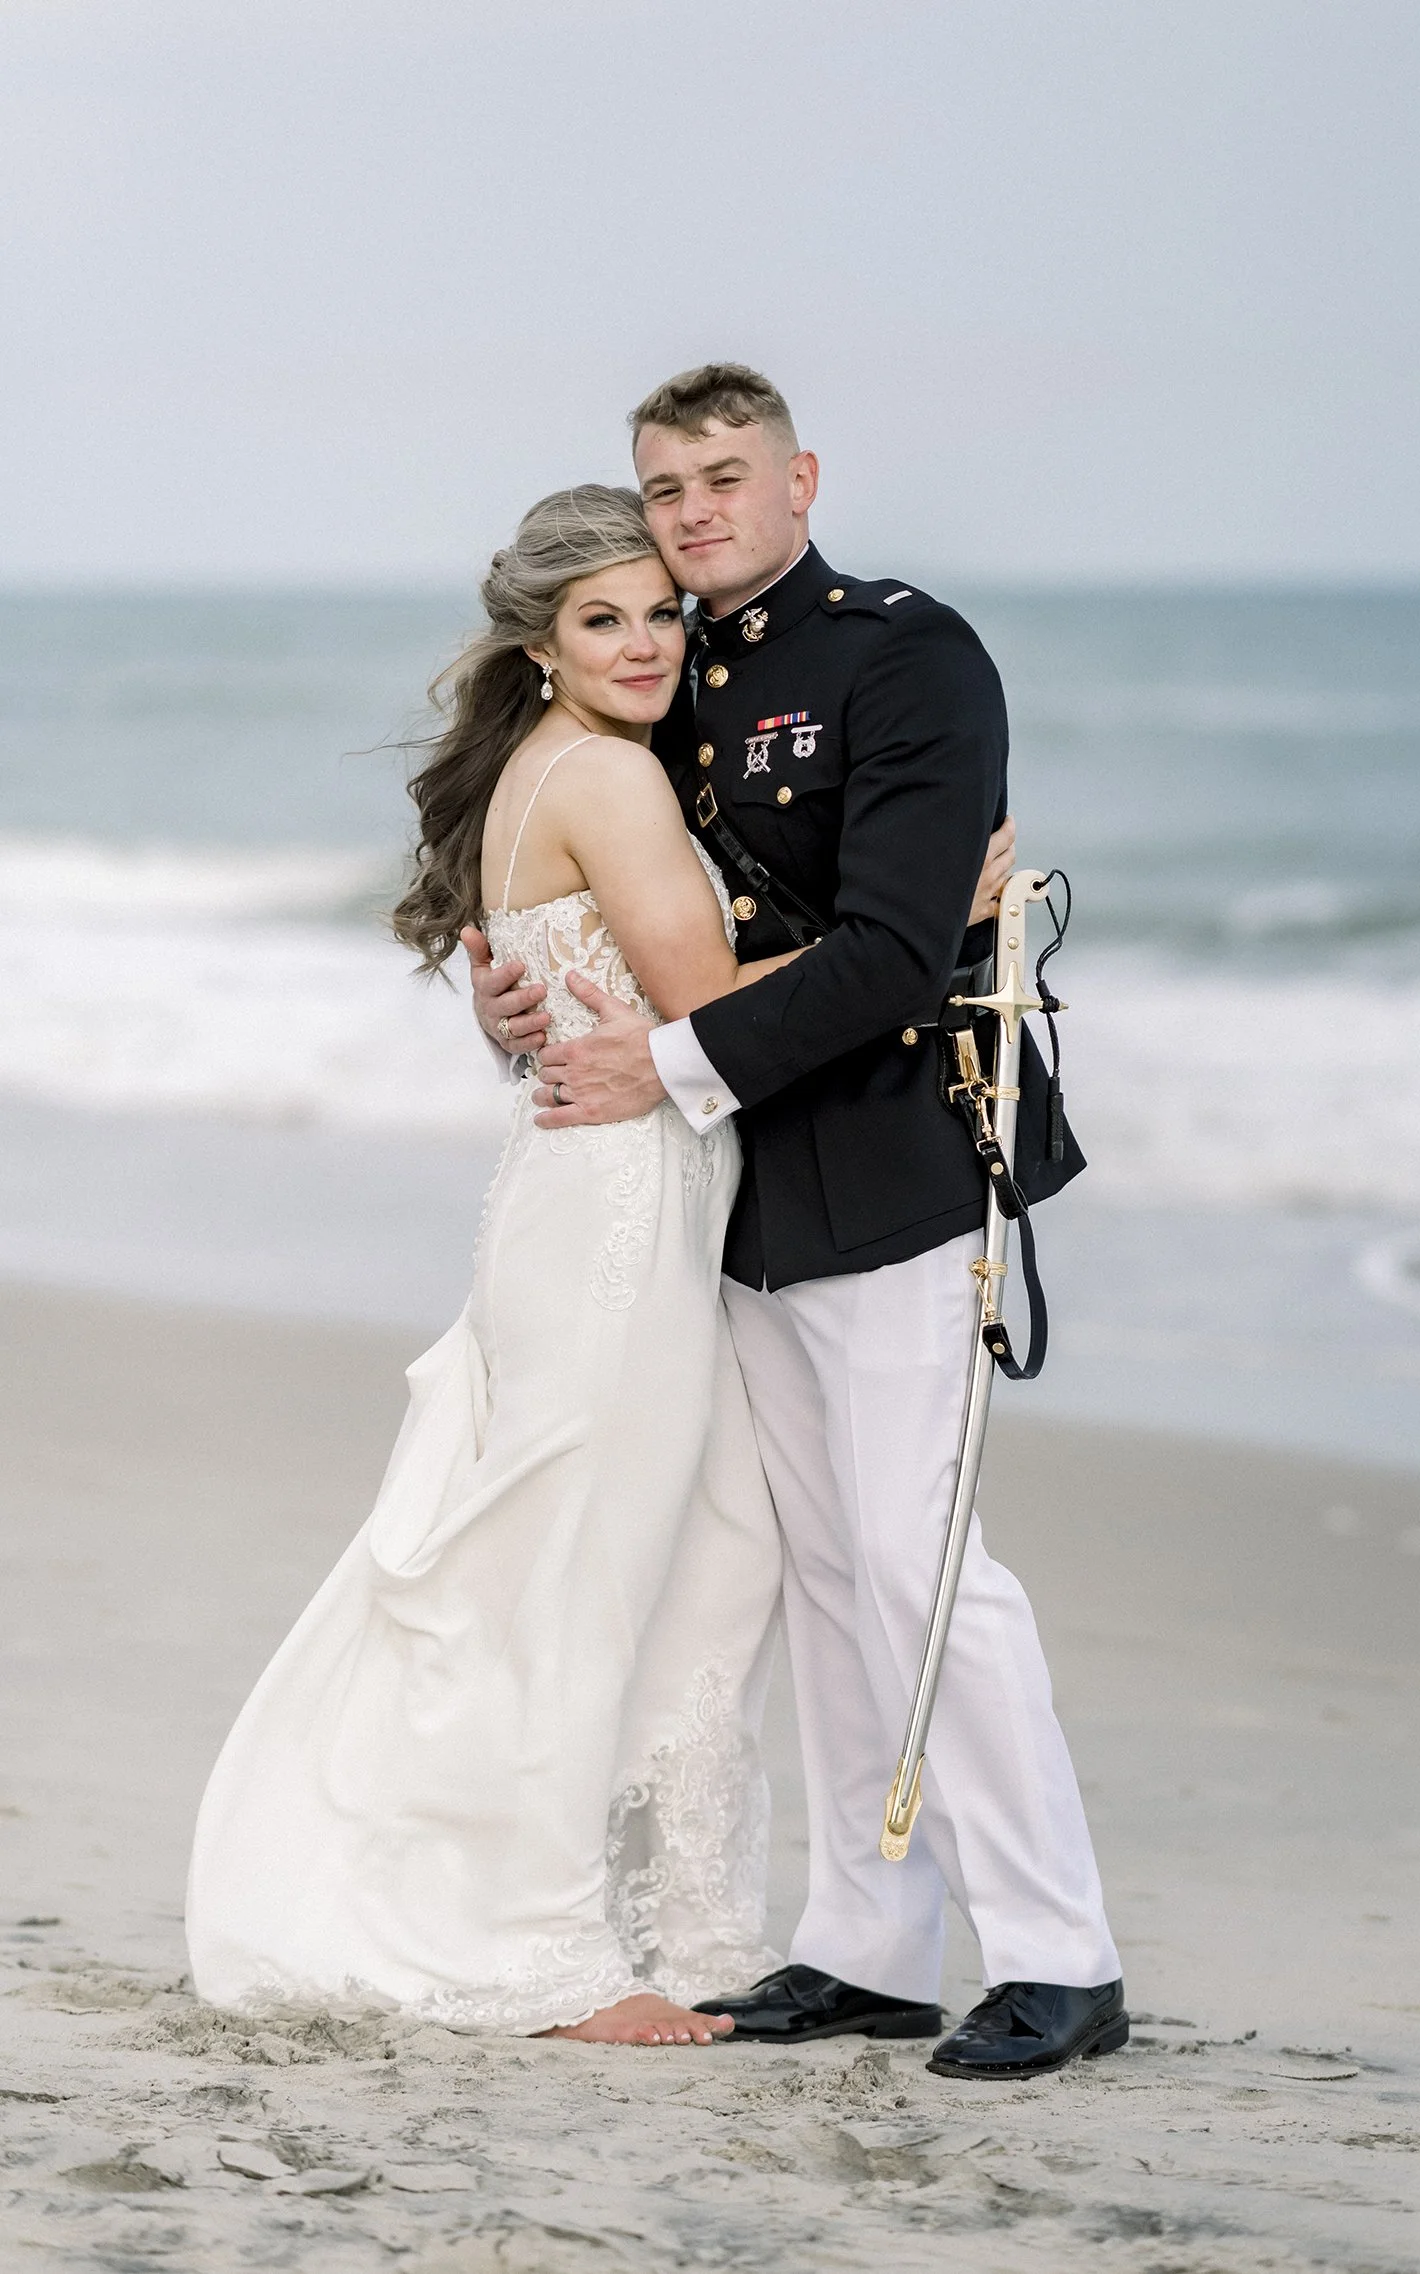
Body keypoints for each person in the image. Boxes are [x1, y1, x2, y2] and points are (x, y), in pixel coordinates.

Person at [471, 366, 1127, 2079]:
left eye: (724, 476)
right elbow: (611, 904)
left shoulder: (906, 657)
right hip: (747, 1188)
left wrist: (664, 1058)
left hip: (902, 1163)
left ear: (800, 479)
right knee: (825, 1573)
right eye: (666, 486)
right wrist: (516, 992)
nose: (694, 513)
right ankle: (869, 1944)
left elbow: (899, 952)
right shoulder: (668, 671)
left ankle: (1061, 1954)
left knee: (920, 1559)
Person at [186, 487, 802, 2046]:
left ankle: (680, 1921)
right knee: (576, 1575)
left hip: (598, 1200)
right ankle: (548, 1951)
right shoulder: (606, 773)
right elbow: (710, 998)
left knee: (685, 1553)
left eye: (662, 612)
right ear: (541, 644)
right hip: (613, 1222)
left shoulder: (552, 766)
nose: (646, 643)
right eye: (604, 618)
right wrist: (926, 930)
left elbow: (595, 992)